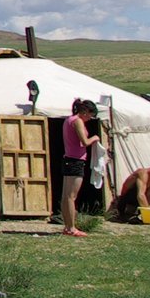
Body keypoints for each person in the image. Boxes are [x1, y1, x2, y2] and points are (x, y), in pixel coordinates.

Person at [59, 99, 101, 238]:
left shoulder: (68, 120)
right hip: (75, 161)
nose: (89, 119)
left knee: (66, 196)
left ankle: (67, 226)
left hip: (68, 159)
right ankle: (71, 228)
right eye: (90, 115)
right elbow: (84, 141)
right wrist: (95, 138)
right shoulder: (77, 121)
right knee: (71, 197)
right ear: (84, 112)